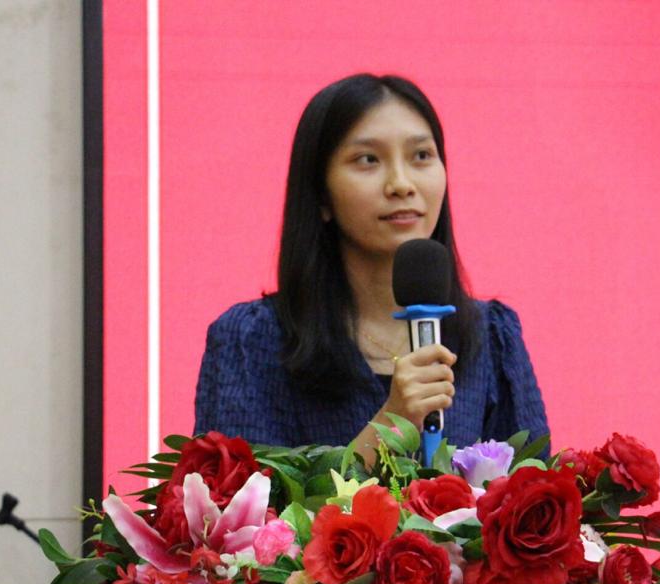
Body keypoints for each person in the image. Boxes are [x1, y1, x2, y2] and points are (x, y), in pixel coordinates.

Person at [194, 73, 548, 460]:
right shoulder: (251, 343)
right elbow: (237, 497)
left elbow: (532, 489)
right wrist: (394, 422)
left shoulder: (492, 340)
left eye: (421, 156)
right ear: (321, 195)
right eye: (368, 160)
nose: (401, 184)